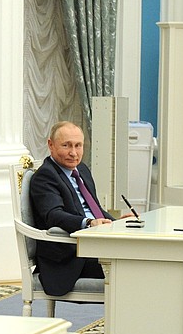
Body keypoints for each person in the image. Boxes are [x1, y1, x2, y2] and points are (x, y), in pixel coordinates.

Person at [29, 121, 117, 296]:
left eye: (78, 146)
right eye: (66, 145)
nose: (73, 153)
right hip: (72, 257)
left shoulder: (82, 169)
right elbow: (54, 215)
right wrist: (89, 223)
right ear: (50, 145)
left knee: (144, 259)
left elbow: (95, 209)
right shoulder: (45, 176)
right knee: (134, 266)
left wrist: (119, 223)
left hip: (94, 246)